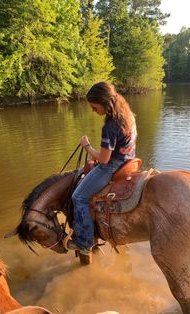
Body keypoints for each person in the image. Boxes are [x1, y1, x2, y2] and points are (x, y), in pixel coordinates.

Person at [69, 82, 137, 254]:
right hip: (129, 160)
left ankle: (84, 244)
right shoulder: (128, 115)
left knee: (78, 197)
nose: (93, 110)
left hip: (113, 166)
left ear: (105, 103)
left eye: (94, 106)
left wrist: (86, 146)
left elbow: (104, 159)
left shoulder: (110, 126)